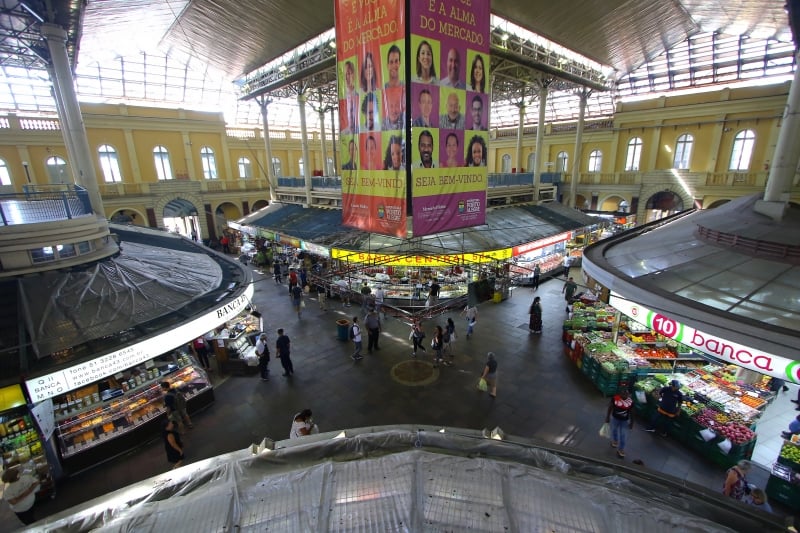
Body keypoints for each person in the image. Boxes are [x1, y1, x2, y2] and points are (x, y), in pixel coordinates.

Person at [606, 389, 634, 458]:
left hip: (624, 421)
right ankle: (615, 441)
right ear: (620, 394)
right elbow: (610, 407)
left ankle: (621, 449)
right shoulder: (615, 399)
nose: (625, 396)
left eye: (626, 394)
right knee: (614, 430)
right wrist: (607, 417)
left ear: (628, 395)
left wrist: (631, 423)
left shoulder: (630, 402)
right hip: (615, 418)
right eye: (623, 394)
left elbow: (632, 413)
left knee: (623, 435)